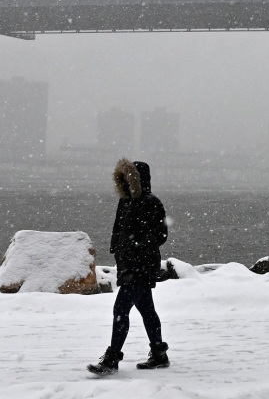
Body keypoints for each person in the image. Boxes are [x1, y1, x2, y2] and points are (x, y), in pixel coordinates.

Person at [88, 158, 170, 376]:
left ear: (138, 179)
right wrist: (116, 247)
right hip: (128, 265)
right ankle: (159, 354)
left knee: (120, 310)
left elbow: (161, 235)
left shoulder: (152, 202)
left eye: (129, 178)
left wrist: (137, 245)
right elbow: (118, 229)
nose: (125, 182)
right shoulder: (125, 201)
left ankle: (112, 359)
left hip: (141, 266)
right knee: (147, 310)